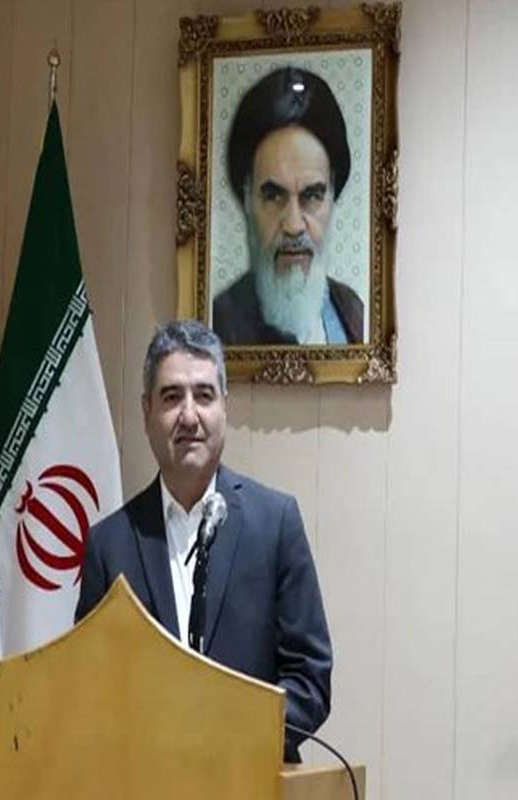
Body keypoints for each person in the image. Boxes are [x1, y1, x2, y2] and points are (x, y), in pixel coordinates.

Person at [74, 320, 331, 762]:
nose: (189, 416)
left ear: (225, 407)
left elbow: (310, 678)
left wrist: (232, 737)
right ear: (147, 412)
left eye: (204, 396)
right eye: (172, 397)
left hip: (252, 778)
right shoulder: (109, 545)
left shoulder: (276, 524)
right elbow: (89, 687)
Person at [212, 66, 364, 346]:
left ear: (332, 194)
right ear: (247, 200)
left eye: (312, 196)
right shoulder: (219, 323)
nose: (294, 225)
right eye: (273, 197)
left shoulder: (352, 311)